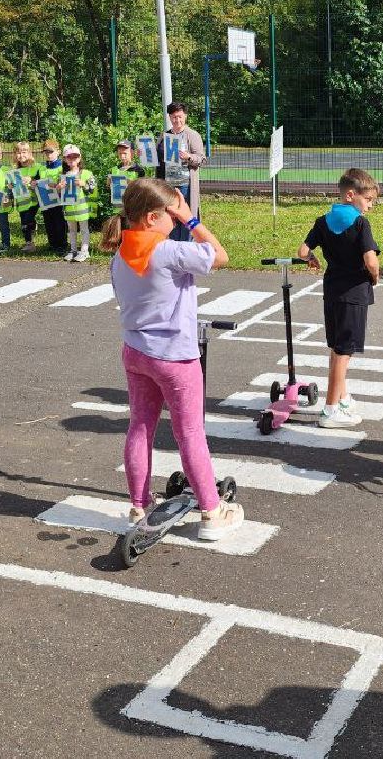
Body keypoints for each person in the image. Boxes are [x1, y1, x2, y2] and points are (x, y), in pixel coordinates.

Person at [102, 178, 243, 540]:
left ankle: (138, 505)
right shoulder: (168, 251)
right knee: (190, 433)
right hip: (174, 356)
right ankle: (212, 511)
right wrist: (191, 219)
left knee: (140, 426)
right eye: (170, 216)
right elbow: (220, 255)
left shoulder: (120, 254)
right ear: (152, 217)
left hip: (135, 351)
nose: (174, 221)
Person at [297, 168, 381, 429]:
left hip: (332, 291)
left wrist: (313, 258)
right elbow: (370, 260)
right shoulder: (360, 223)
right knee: (344, 352)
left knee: (336, 349)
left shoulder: (323, 220)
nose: (370, 206)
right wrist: (375, 275)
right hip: (354, 294)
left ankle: (342, 398)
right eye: (368, 200)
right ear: (351, 195)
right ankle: (330, 410)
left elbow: (302, 251)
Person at [160, 102, 206, 241]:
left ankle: (186, 246)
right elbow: (157, 159)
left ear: (185, 116)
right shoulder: (164, 136)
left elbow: (202, 159)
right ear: (169, 117)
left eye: (180, 116)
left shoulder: (192, 135)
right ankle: (174, 245)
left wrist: (189, 157)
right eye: (174, 117)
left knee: (186, 216)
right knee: (171, 216)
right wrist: (145, 154)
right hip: (168, 186)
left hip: (185, 185)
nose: (177, 120)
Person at [58, 144, 96, 262]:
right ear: (65, 159)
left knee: (84, 229)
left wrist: (84, 184)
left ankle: (85, 251)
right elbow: (59, 194)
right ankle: (73, 250)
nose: (72, 159)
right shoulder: (62, 176)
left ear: (79, 158)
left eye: (75, 156)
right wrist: (59, 188)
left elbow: (93, 188)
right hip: (69, 209)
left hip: (82, 208)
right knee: (71, 230)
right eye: (69, 157)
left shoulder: (87, 173)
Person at [38, 137, 69, 255]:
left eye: (51, 152)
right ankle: (52, 244)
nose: (48, 154)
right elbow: (37, 181)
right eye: (46, 152)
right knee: (48, 221)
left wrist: (58, 185)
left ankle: (62, 244)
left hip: (59, 199)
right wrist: (33, 182)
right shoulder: (42, 167)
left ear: (58, 152)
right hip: (45, 199)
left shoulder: (63, 167)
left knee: (59, 221)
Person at [11, 141, 41, 252]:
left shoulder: (36, 167)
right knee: (24, 224)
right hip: (21, 202)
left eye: (24, 152)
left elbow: (41, 180)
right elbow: (13, 186)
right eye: (18, 153)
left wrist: (32, 179)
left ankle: (30, 243)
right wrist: (11, 185)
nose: (21, 155)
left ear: (30, 153)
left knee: (28, 220)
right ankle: (28, 242)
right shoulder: (15, 171)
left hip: (33, 201)